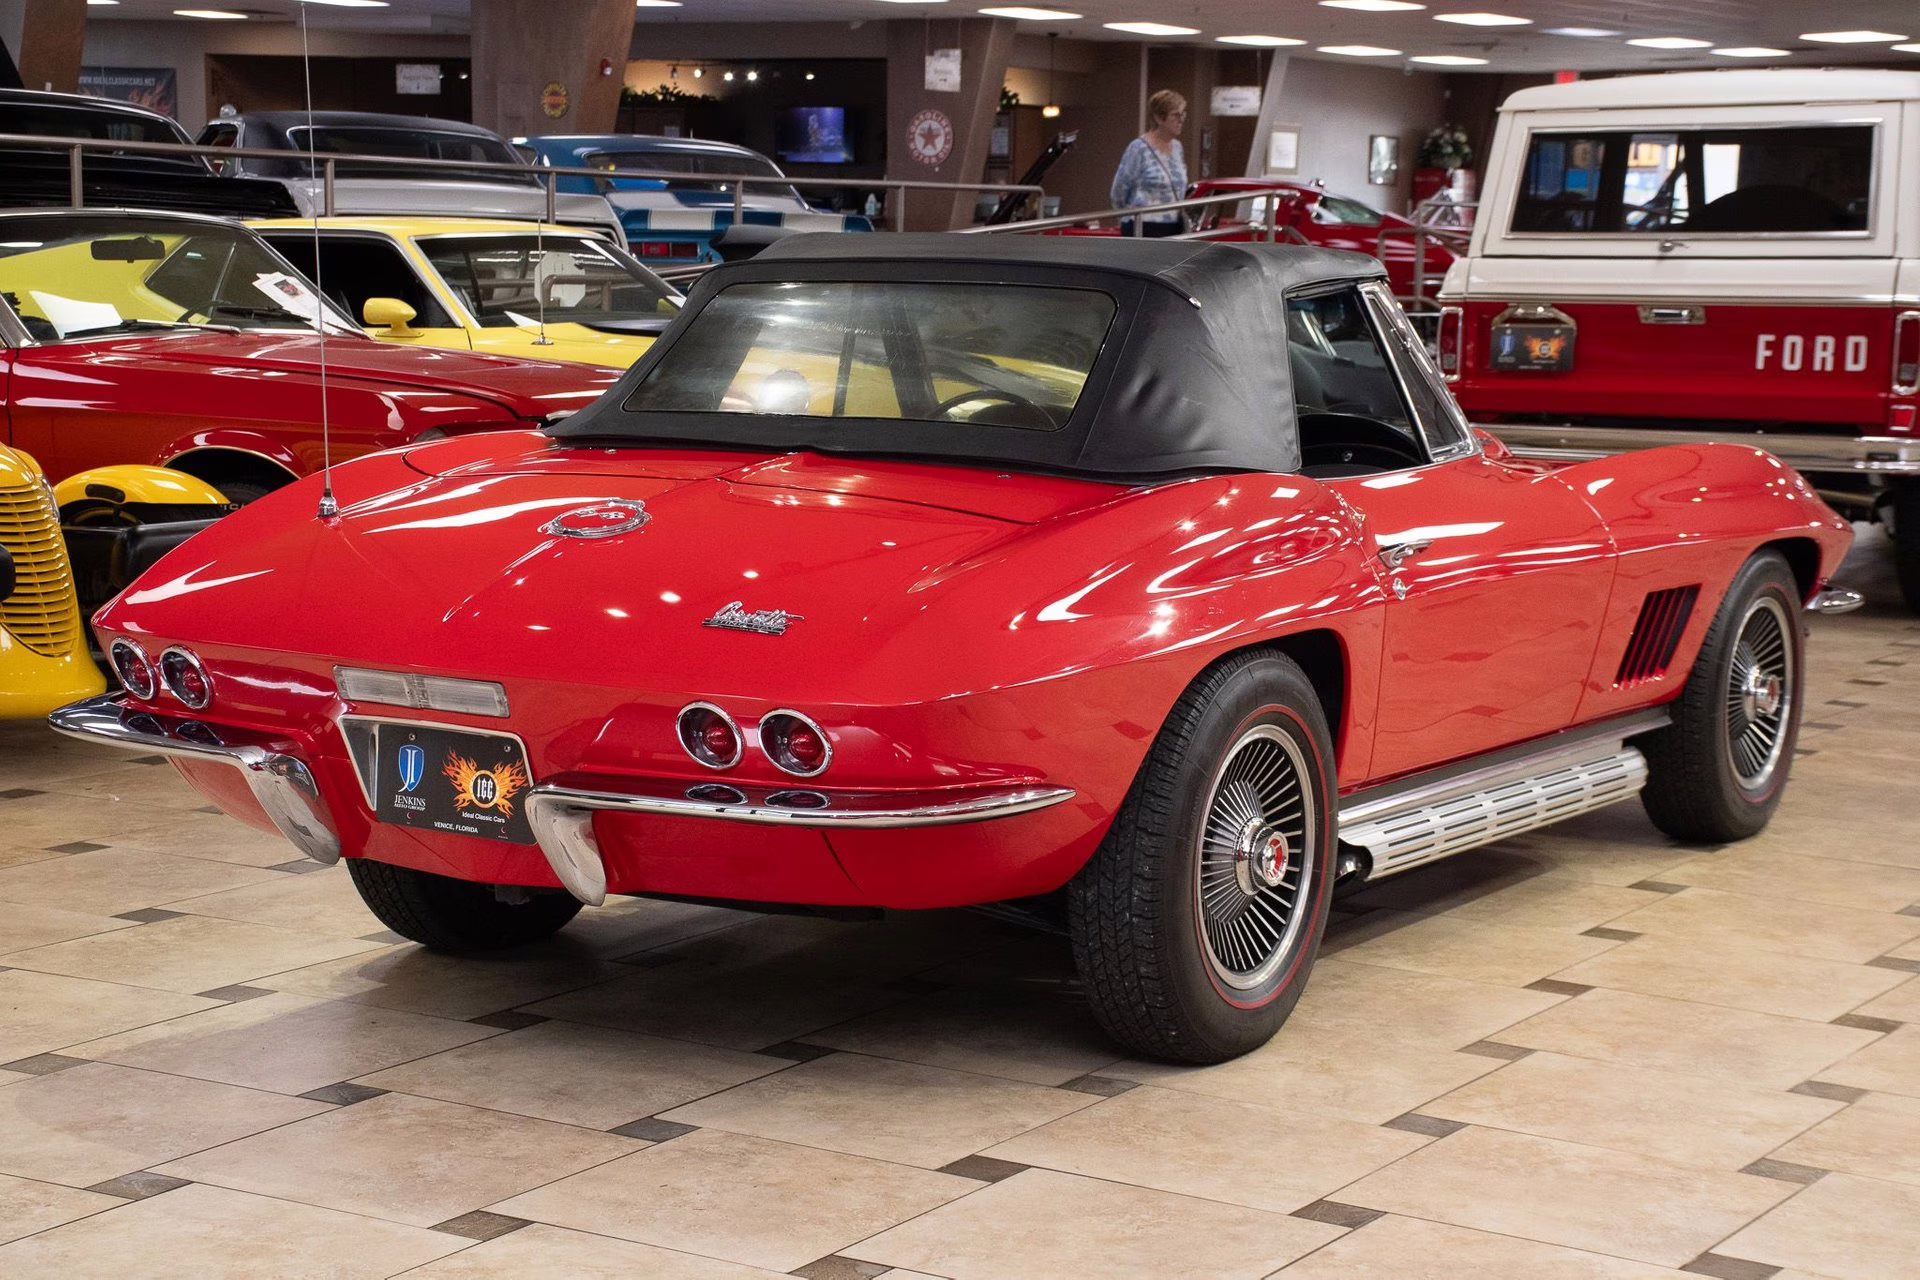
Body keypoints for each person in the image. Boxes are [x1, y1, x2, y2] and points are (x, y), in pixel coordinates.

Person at [1110, 90, 1188, 237]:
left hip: (1174, 226)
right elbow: (1118, 192)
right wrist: (1125, 218)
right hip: (1143, 226)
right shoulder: (1138, 148)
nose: (1181, 120)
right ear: (1159, 118)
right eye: (1176, 115)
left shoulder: (1178, 148)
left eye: (1183, 114)